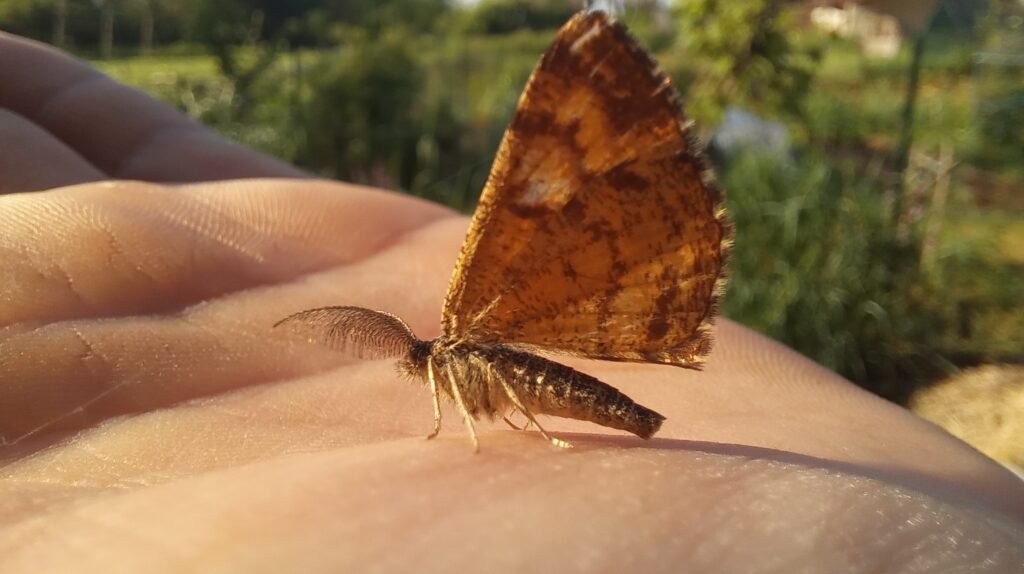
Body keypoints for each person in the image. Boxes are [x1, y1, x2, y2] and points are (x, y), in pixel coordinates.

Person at [1, 31, 1021, 572]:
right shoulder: (448, 351)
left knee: (499, 343)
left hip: (577, 333)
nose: (429, 378)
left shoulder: (463, 340)